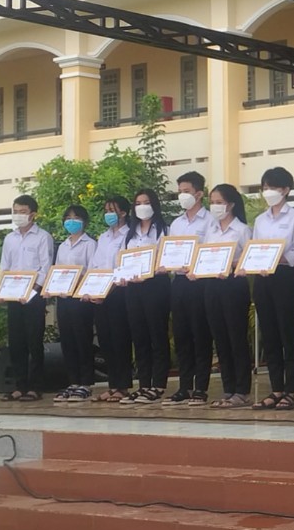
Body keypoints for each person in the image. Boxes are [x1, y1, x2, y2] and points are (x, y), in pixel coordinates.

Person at [247, 167, 294, 411]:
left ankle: (290, 390)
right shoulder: (261, 220)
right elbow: (255, 247)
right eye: (265, 187)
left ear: (285, 190)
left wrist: (281, 258)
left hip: (284, 276)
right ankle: (276, 389)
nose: (267, 192)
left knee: (287, 334)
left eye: (272, 187)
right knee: (269, 335)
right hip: (263, 279)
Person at [198, 184, 253, 408]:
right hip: (212, 285)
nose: (215, 206)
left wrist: (230, 262)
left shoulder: (242, 230)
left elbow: (250, 258)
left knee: (236, 338)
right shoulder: (210, 230)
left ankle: (242, 390)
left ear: (230, 204)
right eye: (212, 202)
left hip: (234, 285)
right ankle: (228, 388)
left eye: (219, 202)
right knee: (220, 338)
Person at [0, 195, 55, 403]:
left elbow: (45, 268)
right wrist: (1, 291)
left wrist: (32, 292)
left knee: (34, 342)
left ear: (33, 214)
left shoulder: (43, 237)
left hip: (33, 297)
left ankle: (35, 387)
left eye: (22, 212)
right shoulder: (9, 238)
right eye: (15, 211)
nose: (18, 215)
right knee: (16, 342)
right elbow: (4, 267)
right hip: (13, 296)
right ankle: (19, 386)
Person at [166, 171, 214, 406]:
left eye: (186, 191)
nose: (182, 196)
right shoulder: (176, 223)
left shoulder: (210, 221)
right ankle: (184, 386)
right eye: (180, 192)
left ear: (199, 193)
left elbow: (213, 251)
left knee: (200, 335)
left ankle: (201, 387)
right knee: (182, 335)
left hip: (200, 282)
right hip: (180, 282)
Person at [121, 189, 172, 405]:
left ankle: (158, 385)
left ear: (154, 205)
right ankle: (143, 384)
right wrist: (123, 275)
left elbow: (168, 258)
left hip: (155, 285)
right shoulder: (130, 233)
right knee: (139, 336)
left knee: (157, 334)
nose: (142, 206)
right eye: (138, 203)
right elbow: (124, 260)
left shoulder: (164, 229)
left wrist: (151, 270)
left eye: (146, 202)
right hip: (133, 288)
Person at [47, 205, 96, 403]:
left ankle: (86, 382)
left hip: (81, 298)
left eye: (76, 217)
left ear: (84, 221)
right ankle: (73, 381)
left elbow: (92, 270)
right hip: (64, 297)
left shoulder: (90, 244)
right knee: (67, 340)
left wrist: (77, 279)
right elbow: (58, 270)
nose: (71, 221)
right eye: (68, 217)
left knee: (82, 339)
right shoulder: (63, 246)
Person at [86, 196, 133, 403]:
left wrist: (107, 289)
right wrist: (91, 290)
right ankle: (112, 385)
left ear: (123, 212)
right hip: (100, 294)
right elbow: (95, 266)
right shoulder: (103, 237)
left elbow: (124, 266)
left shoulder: (130, 235)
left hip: (119, 293)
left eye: (112, 210)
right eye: (106, 211)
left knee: (120, 340)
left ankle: (123, 386)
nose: (108, 215)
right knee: (106, 341)